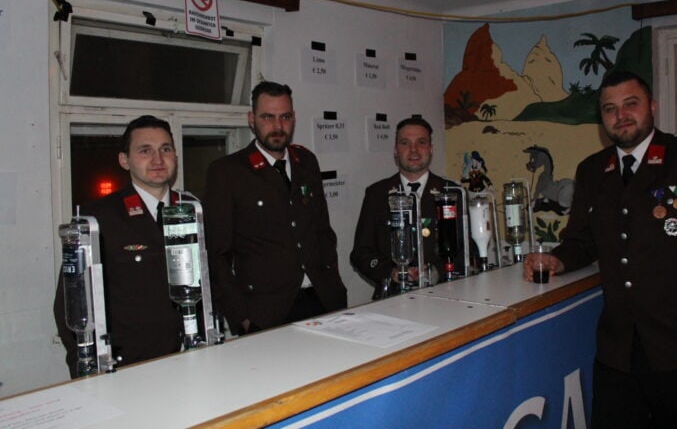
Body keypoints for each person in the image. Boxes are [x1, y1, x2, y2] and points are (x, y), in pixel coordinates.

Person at [523, 70, 677, 428]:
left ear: (652, 107)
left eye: (630, 104)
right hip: (619, 349)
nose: (620, 115)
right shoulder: (593, 170)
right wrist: (558, 259)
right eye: (610, 109)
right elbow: (583, 240)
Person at [204, 81, 347, 335]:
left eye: (285, 117)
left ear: (294, 118)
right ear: (252, 119)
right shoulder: (228, 172)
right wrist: (241, 316)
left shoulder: (306, 161)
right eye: (267, 117)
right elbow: (217, 255)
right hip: (266, 311)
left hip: (322, 300)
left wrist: (333, 282)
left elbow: (322, 230)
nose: (278, 126)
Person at [54, 115, 185, 378]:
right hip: (127, 366)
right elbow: (70, 303)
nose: (158, 159)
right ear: (124, 160)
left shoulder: (191, 209)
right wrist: (86, 369)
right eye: (145, 150)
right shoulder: (99, 218)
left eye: (165, 149)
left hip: (188, 355)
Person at [351, 117, 457, 298]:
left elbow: (468, 249)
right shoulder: (377, 194)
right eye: (405, 143)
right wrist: (392, 272)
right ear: (395, 150)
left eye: (421, 142)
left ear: (431, 149)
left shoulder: (451, 192)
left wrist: (436, 272)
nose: (413, 150)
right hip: (393, 297)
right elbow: (361, 253)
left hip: (444, 295)